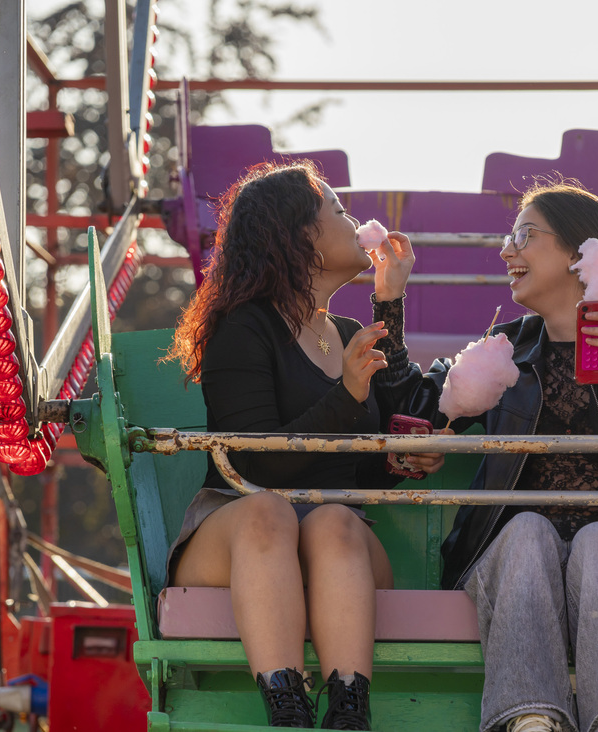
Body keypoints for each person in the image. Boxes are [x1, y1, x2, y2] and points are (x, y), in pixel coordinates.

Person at [390, 182, 598, 732]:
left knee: (596, 543)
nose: (506, 252)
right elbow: (416, 408)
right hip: (513, 562)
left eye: (525, 235)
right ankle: (530, 723)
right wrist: (390, 298)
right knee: (525, 530)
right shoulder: (507, 348)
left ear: (579, 253)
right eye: (509, 237)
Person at [165, 160, 443, 730]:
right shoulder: (242, 326)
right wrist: (345, 394)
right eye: (337, 211)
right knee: (268, 510)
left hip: (333, 544)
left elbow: (391, 424)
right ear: (300, 238)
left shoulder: (342, 332)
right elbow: (253, 462)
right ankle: (286, 705)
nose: (355, 220)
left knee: (336, 518)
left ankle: (348, 709)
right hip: (240, 529)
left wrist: (399, 457)